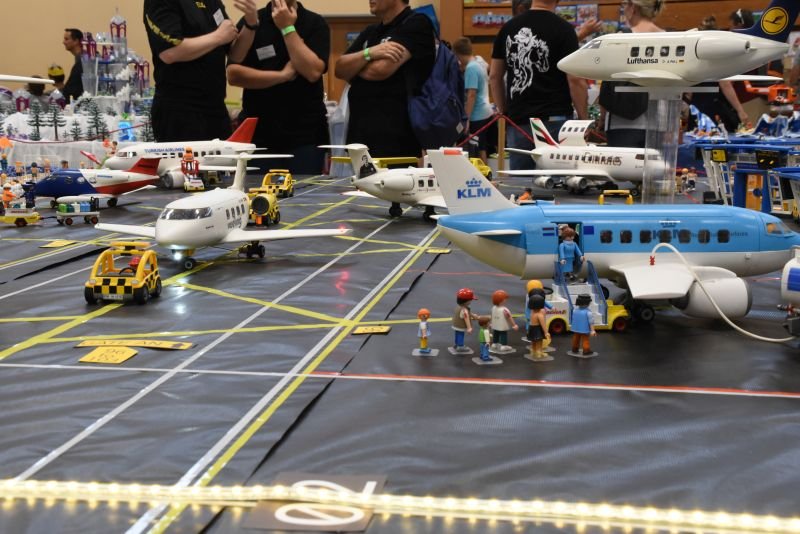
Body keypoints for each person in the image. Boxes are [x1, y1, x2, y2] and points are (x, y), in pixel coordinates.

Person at [227, 0, 331, 174]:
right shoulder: (254, 20)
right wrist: (282, 76)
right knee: (257, 189)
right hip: (259, 136)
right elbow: (233, 74)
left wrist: (287, 28)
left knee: (305, 190)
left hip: (305, 135)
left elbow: (313, 72)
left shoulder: (314, 23)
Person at [490, 0, 588, 170]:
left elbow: (494, 76)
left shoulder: (508, 28)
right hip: (555, 118)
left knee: (521, 182)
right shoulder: (564, 29)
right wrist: (583, 118)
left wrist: (504, 112)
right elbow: (575, 80)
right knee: (557, 181)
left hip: (520, 120)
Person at [334, 0, 436, 158]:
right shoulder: (371, 31)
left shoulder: (416, 23)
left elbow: (381, 70)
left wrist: (354, 67)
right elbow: (340, 68)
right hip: (360, 138)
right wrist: (369, 53)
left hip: (395, 140)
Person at [143, 0, 254, 142]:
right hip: (180, 110)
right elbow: (169, 52)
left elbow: (235, 55)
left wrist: (251, 24)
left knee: (224, 156)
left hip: (216, 108)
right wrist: (218, 37)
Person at [598, 0, 664, 148]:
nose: (623, 9)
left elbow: (608, 79)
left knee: (623, 163)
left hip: (621, 123)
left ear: (633, 7)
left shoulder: (621, 38)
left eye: (624, 5)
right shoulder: (669, 38)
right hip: (659, 123)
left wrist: (602, 117)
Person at [453, 37, 493, 162]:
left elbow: (471, 95)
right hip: (486, 111)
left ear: (457, 54)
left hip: (477, 115)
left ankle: (481, 172)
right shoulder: (479, 62)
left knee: (477, 149)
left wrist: (466, 118)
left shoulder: (471, 68)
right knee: (482, 147)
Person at [451, 287, 478, 354]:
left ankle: (456, 344)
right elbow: (466, 318)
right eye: (470, 300)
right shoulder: (464, 310)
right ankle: (460, 346)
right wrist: (469, 327)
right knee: (461, 334)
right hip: (460, 326)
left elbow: (468, 313)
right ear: (466, 301)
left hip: (455, 324)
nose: (471, 301)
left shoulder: (459, 307)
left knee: (457, 334)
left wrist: (473, 315)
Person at [527, 293, 552, 361]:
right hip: (537, 329)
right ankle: (539, 352)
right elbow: (543, 324)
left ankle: (533, 351)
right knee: (539, 341)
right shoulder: (539, 315)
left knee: (533, 341)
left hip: (531, 328)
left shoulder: (532, 312)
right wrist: (546, 332)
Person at [62, 28, 84, 103]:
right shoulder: (80, 58)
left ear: (76, 41)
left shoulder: (82, 60)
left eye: (66, 39)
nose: (63, 42)